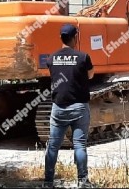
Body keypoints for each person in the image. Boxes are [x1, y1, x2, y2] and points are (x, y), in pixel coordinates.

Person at [44, 24, 94, 188]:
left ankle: (48, 182)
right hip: (79, 107)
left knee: (53, 146)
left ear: (61, 38)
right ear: (75, 38)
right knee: (79, 145)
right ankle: (83, 181)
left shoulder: (51, 58)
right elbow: (90, 75)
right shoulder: (83, 57)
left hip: (58, 107)